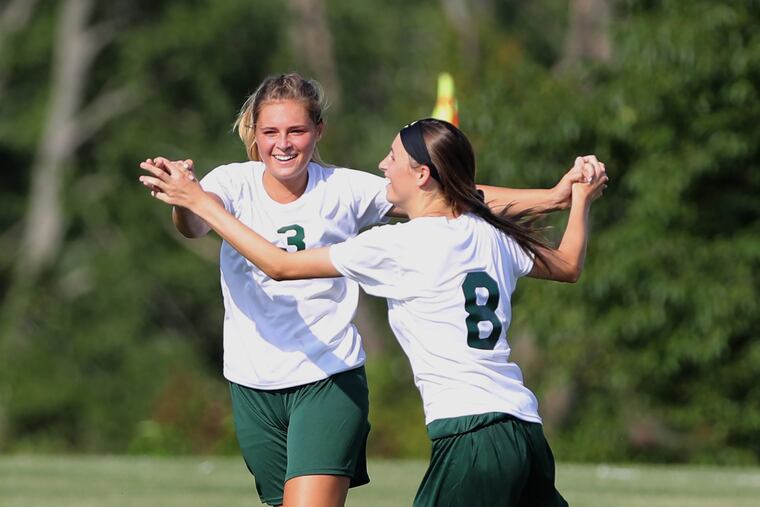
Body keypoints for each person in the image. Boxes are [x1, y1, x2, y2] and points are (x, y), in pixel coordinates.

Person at [140, 74, 604, 507]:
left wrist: (196, 199)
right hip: (521, 423)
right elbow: (562, 263)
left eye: (393, 159)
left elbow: (280, 266)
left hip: (452, 424)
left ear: (318, 130)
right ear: (254, 133)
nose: (383, 168)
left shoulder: (391, 241)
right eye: (270, 132)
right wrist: (570, 198)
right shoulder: (488, 233)